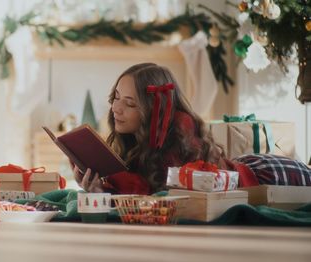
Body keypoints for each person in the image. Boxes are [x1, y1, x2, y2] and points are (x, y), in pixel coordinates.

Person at [73, 63, 311, 194]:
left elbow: (162, 192)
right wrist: (98, 187)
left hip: (266, 174)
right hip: (247, 163)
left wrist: (108, 186)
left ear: (155, 108)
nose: (116, 108)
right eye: (115, 97)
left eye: (130, 103)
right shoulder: (134, 137)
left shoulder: (178, 126)